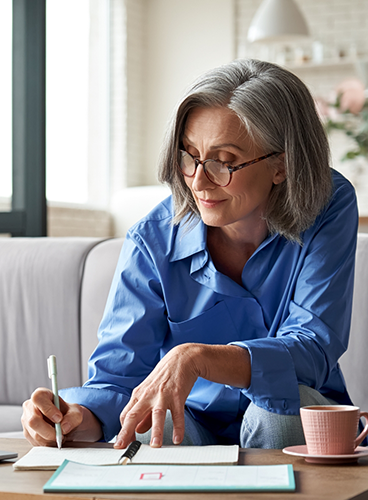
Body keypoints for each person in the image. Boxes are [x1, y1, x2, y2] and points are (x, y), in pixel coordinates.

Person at [21, 59, 359, 449]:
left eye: (224, 162)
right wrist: (76, 418)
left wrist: (198, 357)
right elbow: (118, 377)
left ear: (281, 165)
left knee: (277, 408)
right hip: (192, 423)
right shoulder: (152, 239)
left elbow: (313, 346)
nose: (198, 182)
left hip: (291, 417)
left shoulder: (327, 204)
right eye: (189, 156)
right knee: (152, 421)